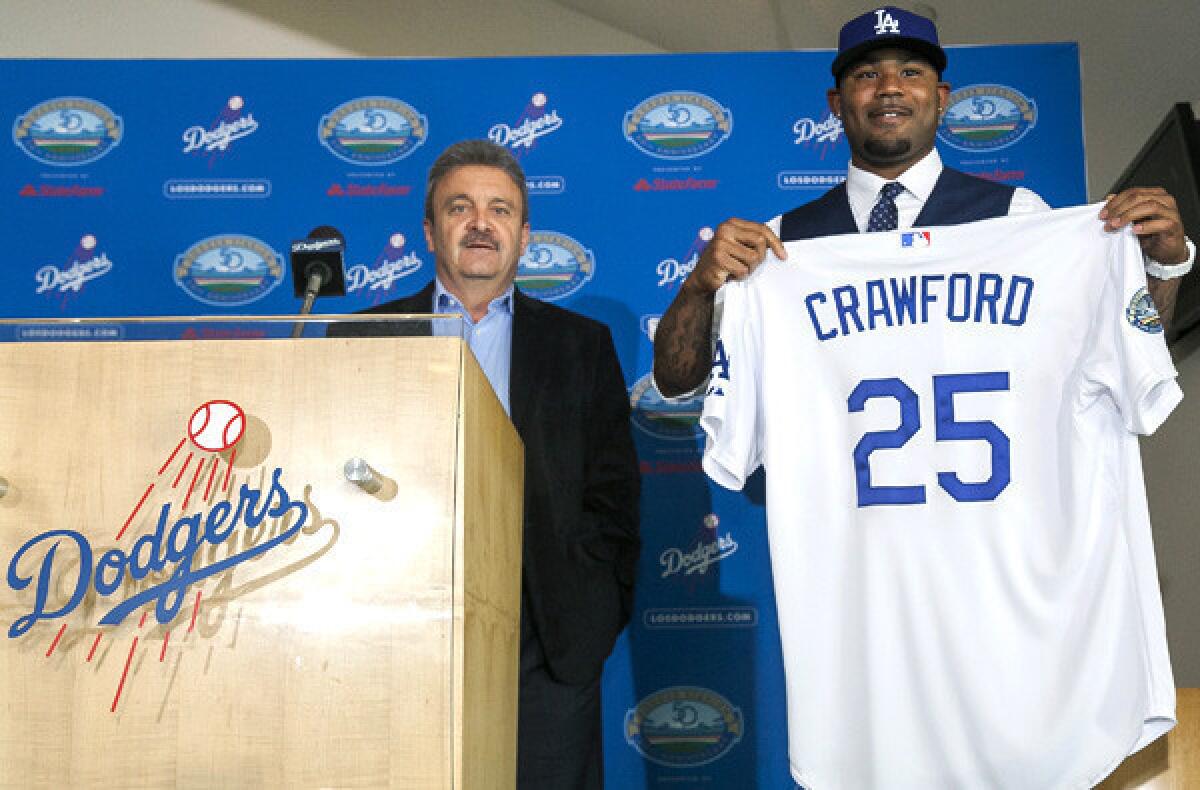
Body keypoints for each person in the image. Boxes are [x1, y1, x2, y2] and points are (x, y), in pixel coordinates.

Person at [653, 5, 1195, 397]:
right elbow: (678, 381)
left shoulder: (1019, 217)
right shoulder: (781, 239)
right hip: (841, 538)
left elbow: (1128, 356)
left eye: (910, 72)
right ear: (837, 105)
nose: (889, 87)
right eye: (867, 75)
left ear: (940, 100)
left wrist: (1163, 267)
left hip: (989, 532)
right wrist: (699, 288)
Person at [330, 139, 640, 789]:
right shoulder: (363, 336)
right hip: (398, 622)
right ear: (429, 230)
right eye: (460, 207)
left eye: (500, 210)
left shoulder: (581, 347)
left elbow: (613, 499)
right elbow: (341, 467)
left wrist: (591, 615)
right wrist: (375, 487)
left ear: (524, 236)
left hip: (547, 639)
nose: (480, 222)